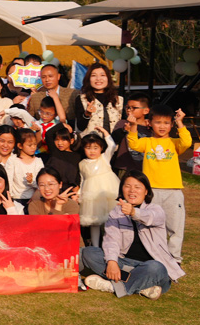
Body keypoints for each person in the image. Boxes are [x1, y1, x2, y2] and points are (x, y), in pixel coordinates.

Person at [81, 171, 184, 299]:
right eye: (127, 186)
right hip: (124, 263)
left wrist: (134, 212)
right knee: (89, 253)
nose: (132, 191)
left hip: (150, 266)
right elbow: (111, 240)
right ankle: (143, 286)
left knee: (156, 268)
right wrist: (112, 262)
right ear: (122, 189)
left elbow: (151, 217)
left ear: (146, 191)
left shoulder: (155, 209)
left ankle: (112, 286)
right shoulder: (115, 213)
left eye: (137, 187)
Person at [126, 103, 191, 263]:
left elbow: (187, 142)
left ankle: (174, 258)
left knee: (175, 226)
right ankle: (152, 255)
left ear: (172, 124)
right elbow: (133, 144)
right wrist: (133, 126)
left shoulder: (175, 143)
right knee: (149, 224)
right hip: (151, 191)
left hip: (173, 191)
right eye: (158, 122)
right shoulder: (147, 142)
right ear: (149, 123)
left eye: (166, 123)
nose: (162, 126)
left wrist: (180, 122)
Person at [77, 128, 117, 246]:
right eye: (88, 148)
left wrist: (105, 132)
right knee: (94, 222)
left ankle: (111, 244)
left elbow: (112, 145)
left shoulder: (104, 158)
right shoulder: (82, 164)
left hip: (107, 192)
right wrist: (79, 194)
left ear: (101, 148)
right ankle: (95, 246)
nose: (92, 151)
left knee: (111, 220)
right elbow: (82, 180)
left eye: (95, 148)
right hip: (92, 196)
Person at [71, 62, 124, 135]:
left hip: (113, 141)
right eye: (94, 75)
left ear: (108, 78)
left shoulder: (119, 100)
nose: (98, 79)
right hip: (90, 141)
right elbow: (80, 127)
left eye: (102, 75)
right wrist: (87, 114)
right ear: (88, 79)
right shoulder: (82, 99)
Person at [5, 129, 44, 209]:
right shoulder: (13, 160)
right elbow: (8, 180)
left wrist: (31, 181)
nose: (33, 147)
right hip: (16, 199)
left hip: (33, 198)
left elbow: (41, 183)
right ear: (20, 146)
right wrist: (9, 197)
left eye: (35, 144)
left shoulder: (38, 161)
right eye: (30, 145)